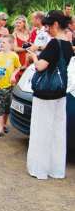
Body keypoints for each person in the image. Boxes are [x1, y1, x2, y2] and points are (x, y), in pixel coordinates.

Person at [26, 10, 73, 180]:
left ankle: (39, 169)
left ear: (55, 25)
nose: (46, 29)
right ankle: (55, 169)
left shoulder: (54, 44)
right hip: (60, 93)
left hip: (45, 93)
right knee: (57, 132)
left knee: (41, 130)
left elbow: (40, 67)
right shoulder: (68, 44)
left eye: (48, 25)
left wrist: (33, 56)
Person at [0, 35, 21, 138]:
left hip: (9, 86)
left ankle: (4, 124)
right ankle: (0, 129)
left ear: (11, 44)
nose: (1, 44)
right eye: (1, 42)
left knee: (7, 108)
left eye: (4, 42)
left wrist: (13, 75)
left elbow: (18, 67)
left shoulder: (14, 56)